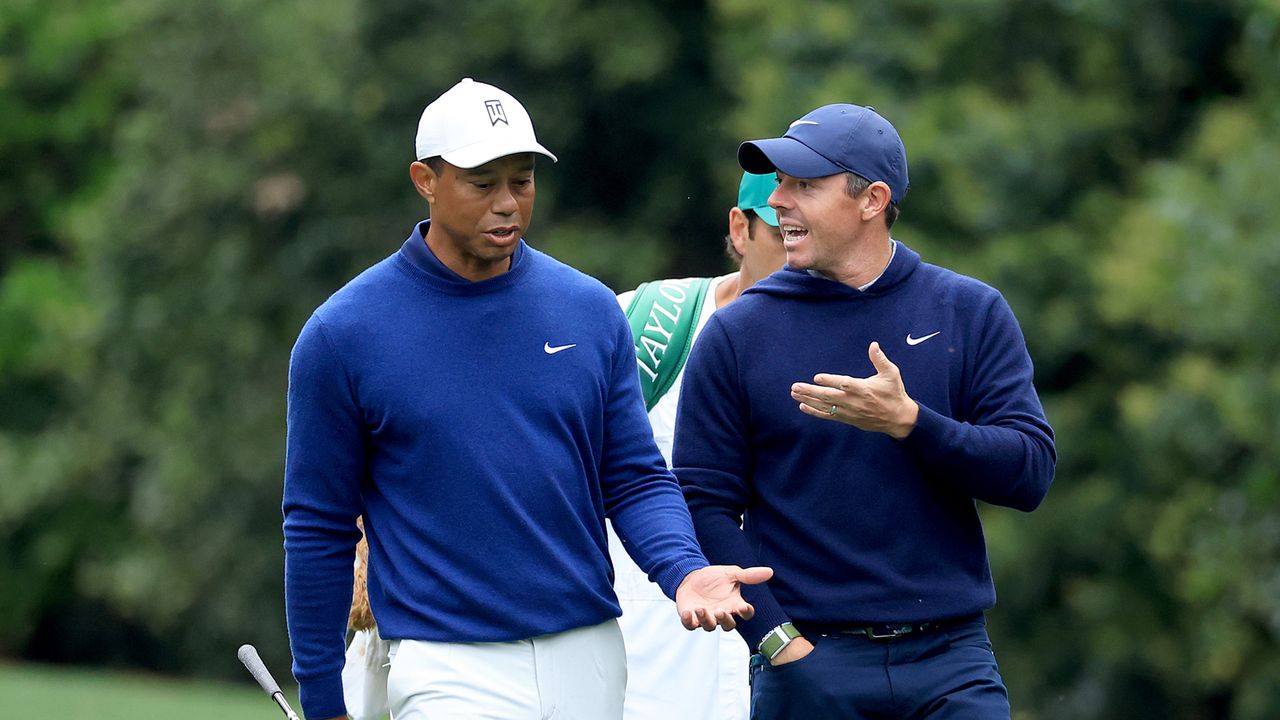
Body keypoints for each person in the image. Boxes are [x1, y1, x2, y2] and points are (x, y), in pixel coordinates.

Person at [283, 77, 771, 720]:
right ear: (425, 180)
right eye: (483, 183)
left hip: (589, 652)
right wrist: (322, 698)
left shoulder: (589, 310)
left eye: (522, 181)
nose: (508, 203)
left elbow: (631, 476)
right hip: (445, 661)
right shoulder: (344, 334)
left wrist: (682, 569)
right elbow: (317, 525)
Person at [672, 104, 1057, 719]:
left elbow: (1030, 473)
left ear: (872, 199)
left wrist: (911, 424)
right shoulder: (737, 334)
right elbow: (702, 500)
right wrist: (775, 640)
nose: (779, 202)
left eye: (804, 186)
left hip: (952, 665)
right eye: (779, 185)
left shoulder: (969, 311)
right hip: (808, 665)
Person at [610, 171, 785, 720]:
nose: (802, 252)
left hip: (794, 646)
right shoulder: (644, 322)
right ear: (740, 228)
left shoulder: (857, 341)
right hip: (648, 649)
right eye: (785, 233)